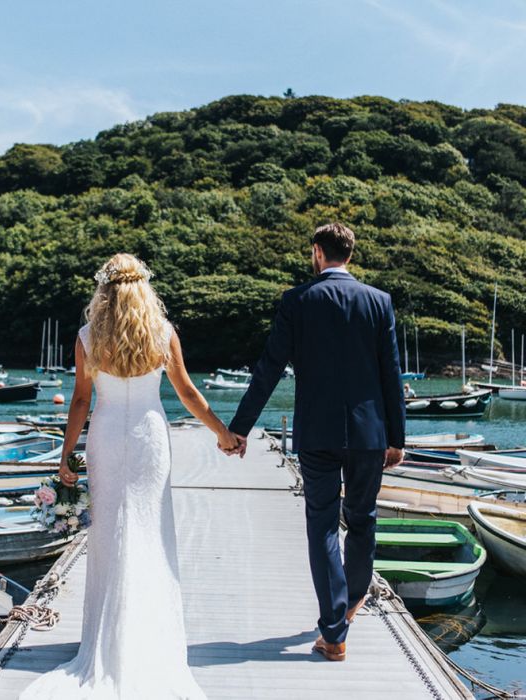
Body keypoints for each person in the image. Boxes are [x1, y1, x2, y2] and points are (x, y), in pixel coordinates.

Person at [20, 253, 237, 699]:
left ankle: (108, 639)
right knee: (150, 532)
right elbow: (188, 394)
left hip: (105, 437)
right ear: (144, 289)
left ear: (104, 291)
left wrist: (67, 456)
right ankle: (147, 636)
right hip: (149, 439)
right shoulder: (161, 333)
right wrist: (223, 433)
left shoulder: (87, 336)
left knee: (111, 536)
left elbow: (80, 400)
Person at [224, 222, 405, 662]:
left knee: (323, 525)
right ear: (351, 255)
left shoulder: (297, 301)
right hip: (368, 434)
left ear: (317, 254)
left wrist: (240, 428)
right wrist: (397, 437)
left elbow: (268, 368)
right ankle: (351, 606)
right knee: (362, 519)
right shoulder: (378, 302)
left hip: (318, 433)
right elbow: (391, 375)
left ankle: (334, 630)